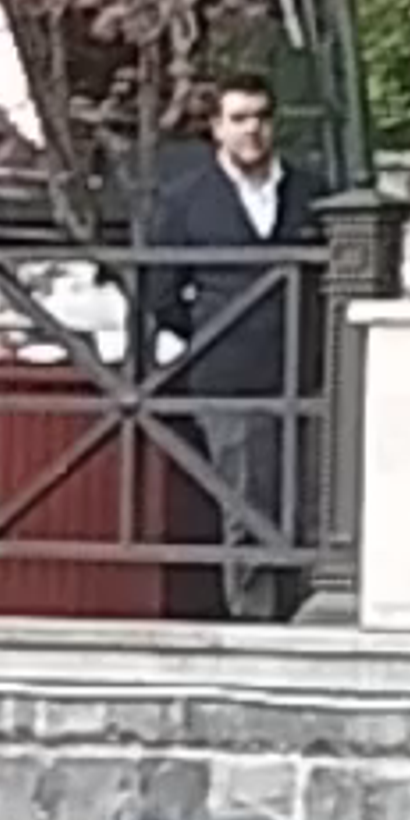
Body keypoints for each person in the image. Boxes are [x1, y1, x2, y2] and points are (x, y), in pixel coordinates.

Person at [140, 77, 328, 617]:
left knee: (311, 500)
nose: (253, 129)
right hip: (228, 373)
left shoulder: (312, 192)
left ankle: (313, 615)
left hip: (308, 367)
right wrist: (210, 332)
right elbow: (160, 292)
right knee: (248, 503)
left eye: (262, 117)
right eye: (240, 118)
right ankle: (256, 623)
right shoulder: (186, 200)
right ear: (218, 128)